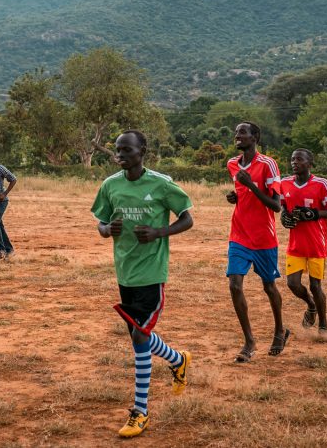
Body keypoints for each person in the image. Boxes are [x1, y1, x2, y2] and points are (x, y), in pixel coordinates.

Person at [93, 130, 193, 438]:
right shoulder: (111, 185)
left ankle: (140, 412)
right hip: (125, 272)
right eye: (117, 150)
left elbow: (187, 219)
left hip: (152, 273)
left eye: (126, 150)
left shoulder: (161, 184)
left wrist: (158, 232)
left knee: (139, 337)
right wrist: (108, 228)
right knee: (142, 337)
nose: (120, 155)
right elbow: (100, 224)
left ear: (142, 151)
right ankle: (178, 360)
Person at [225, 122, 289, 362]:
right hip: (239, 234)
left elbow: (276, 205)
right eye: (236, 132)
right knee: (234, 285)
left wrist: (250, 185)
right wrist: (235, 196)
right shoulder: (232, 163)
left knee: (269, 286)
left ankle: (280, 330)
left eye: (242, 132)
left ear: (255, 137)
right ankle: (249, 341)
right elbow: (241, 194)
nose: (237, 135)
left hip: (264, 237)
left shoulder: (268, 164)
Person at [278, 149, 327, 341]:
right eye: (292, 159)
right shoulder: (285, 183)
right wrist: (284, 216)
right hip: (295, 243)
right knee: (292, 284)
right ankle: (311, 305)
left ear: (309, 163)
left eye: (299, 159)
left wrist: (314, 214)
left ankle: (323, 323)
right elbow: (283, 206)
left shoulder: (322, 184)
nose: (294, 162)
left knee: (315, 285)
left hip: (316, 243)